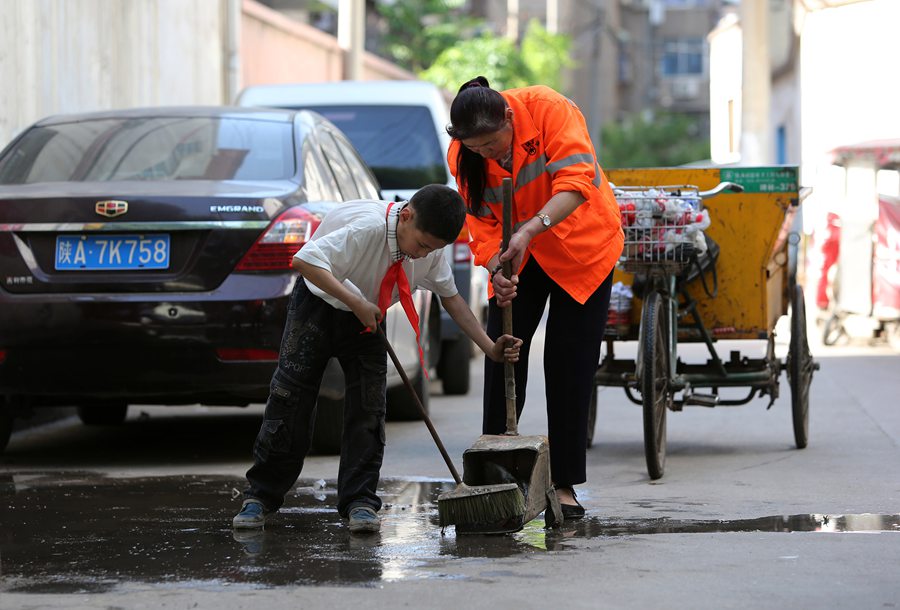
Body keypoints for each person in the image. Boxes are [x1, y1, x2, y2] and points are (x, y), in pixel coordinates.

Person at [232, 184, 523, 534]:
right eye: (422, 244)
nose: (422, 255)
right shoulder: (366, 229)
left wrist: (490, 347)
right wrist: (355, 302)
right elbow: (305, 260)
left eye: (433, 249)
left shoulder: (428, 250)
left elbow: (453, 300)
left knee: (370, 407)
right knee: (291, 399)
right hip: (318, 306)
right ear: (407, 216)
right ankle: (260, 497)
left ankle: (359, 501)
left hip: (369, 314)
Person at [446, 76, 624, 520]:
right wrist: (494, 267)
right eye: (478, 149)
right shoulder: (463, 154)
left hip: (581, 249)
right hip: (516, 256)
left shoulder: (548, 109)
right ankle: (495, 478)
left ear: (509, 117)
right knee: (502, 353)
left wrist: (529, 229)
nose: (488, 153)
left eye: (492, 143)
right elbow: (481, 224)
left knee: (568, 362)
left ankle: (563, 486)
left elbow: (577, 180)